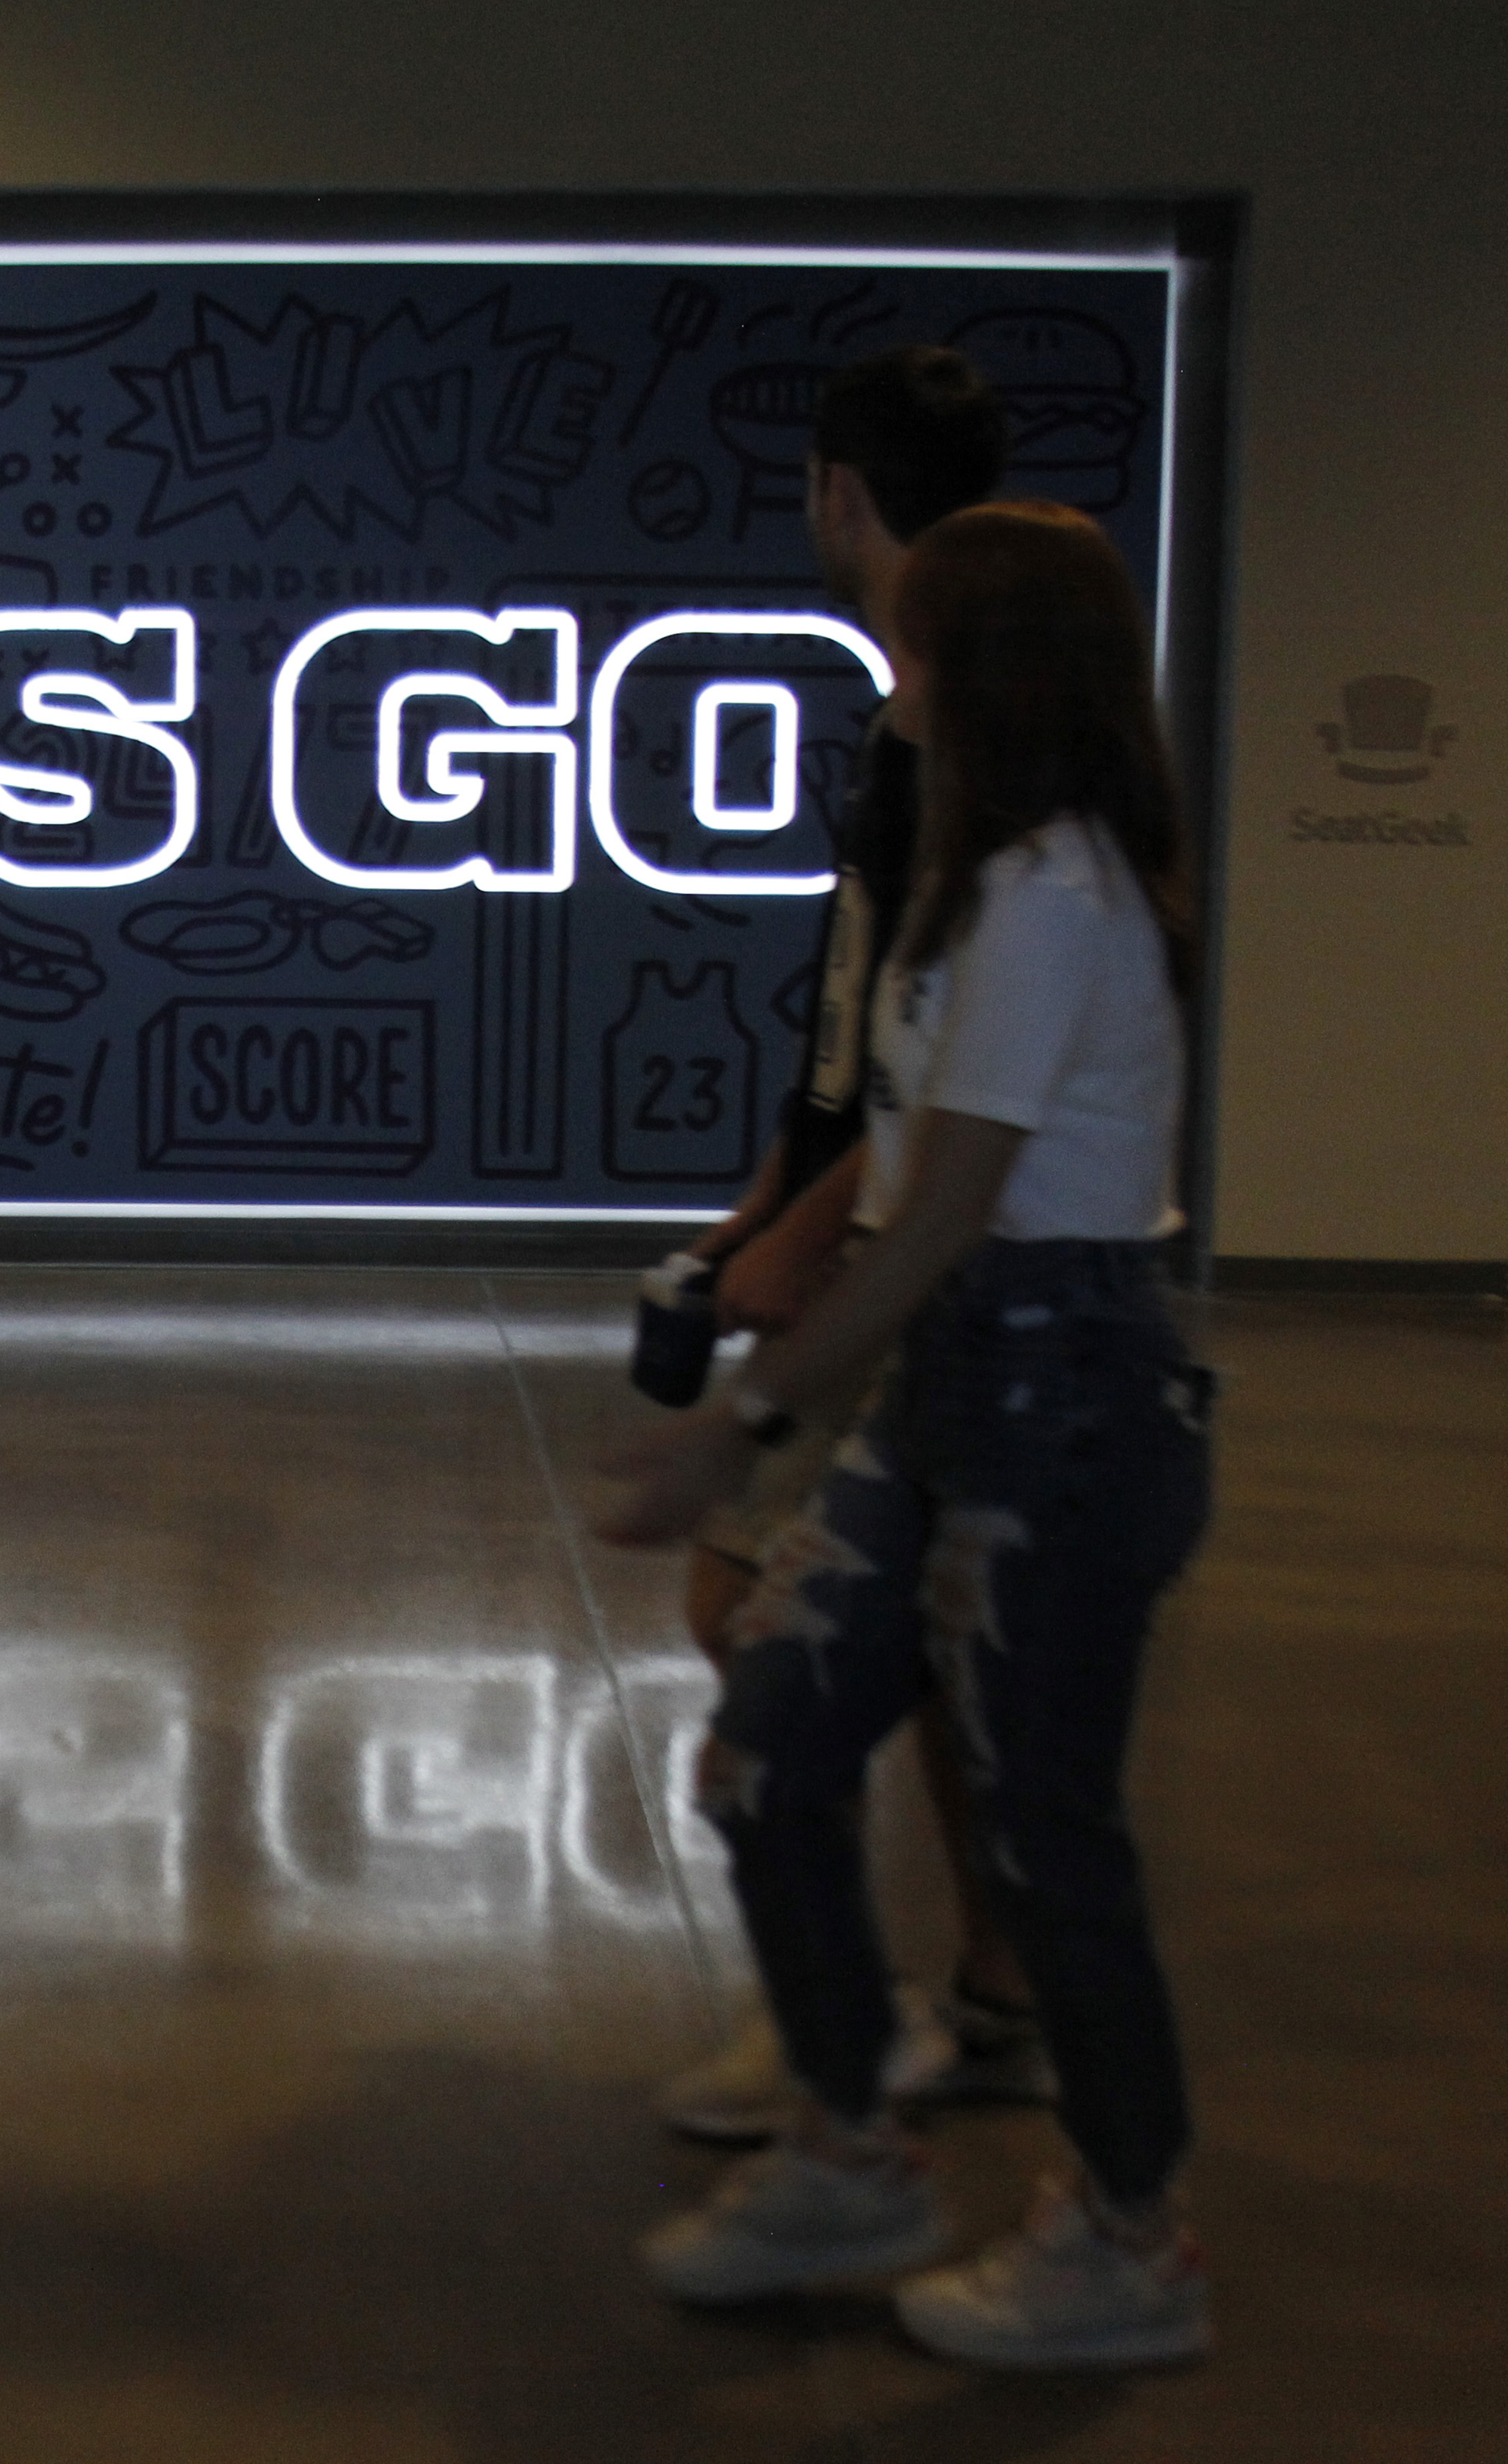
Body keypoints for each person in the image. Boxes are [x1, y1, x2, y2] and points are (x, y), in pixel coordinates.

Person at [601, 500, 1215, 2369]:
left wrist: (739, 1423)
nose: (889, 679)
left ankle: (1132, 2238)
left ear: (990, 674)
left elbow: (950, 1208)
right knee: (768, 1746)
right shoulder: (980, 876)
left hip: (1059, 1396)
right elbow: (902, 1178)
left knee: (1042, 1837)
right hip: (954, 1382)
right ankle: (849, 2145)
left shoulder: (1048, 896)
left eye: (915, 647)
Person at [652, 347, 1057, 2144]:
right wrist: (769, 1196)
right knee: (931, 1635)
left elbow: (939, 1046)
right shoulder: (927, 706)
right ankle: (987, 1984)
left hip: (913, 1254)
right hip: (875, 1227)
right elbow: (854, 1018)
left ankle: (838, 2017)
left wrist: (806, 1231)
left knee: (750, 1605)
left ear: (835, 491)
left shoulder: (952, 726)